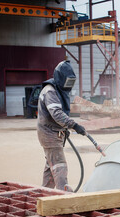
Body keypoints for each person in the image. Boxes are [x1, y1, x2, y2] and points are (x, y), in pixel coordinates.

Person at [37, 60, 86, 192]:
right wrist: (74, 125)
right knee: (60, 167)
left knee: (51, 169)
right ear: (60, 78)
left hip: (54, 133)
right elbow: (57, 114)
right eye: (67, 82)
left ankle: (44, 194)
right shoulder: (50, 91)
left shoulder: (58, 90)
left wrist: (64, 129)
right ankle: (64, 197)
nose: (68, 86)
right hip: (49, 135)